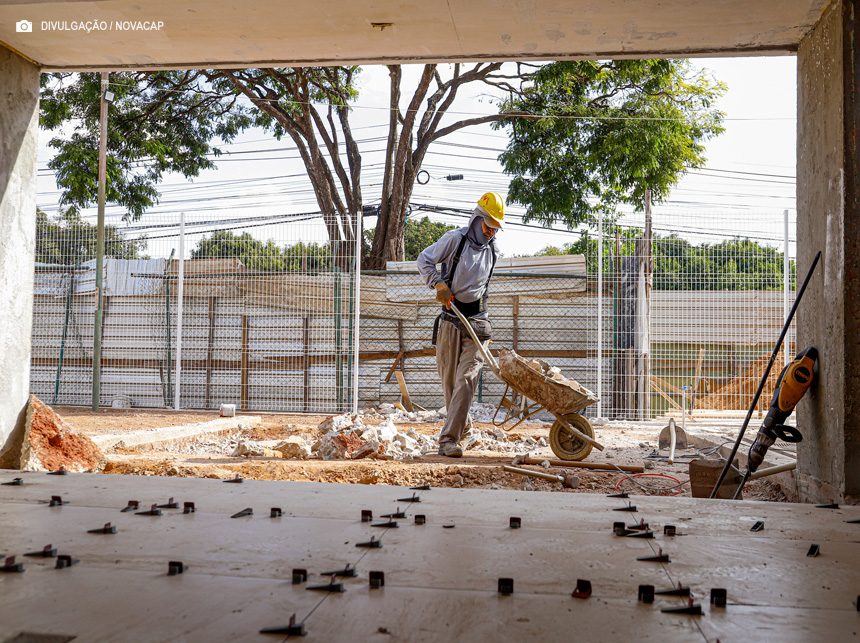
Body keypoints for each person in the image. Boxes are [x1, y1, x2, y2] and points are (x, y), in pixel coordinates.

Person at [417, 192, 505, 457]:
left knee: (466, 380)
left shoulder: (493, 251)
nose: (491, 232)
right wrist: (438, 283)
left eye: (495, 228)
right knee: (450, 384)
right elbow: (424, 260)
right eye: (488, 225)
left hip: (477, 323)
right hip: (450, 320)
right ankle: (464, 432)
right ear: (477, 219)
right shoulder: (455, 240)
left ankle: (448, 440)